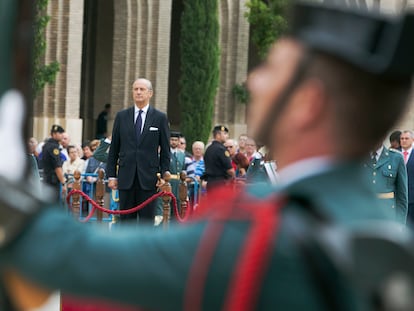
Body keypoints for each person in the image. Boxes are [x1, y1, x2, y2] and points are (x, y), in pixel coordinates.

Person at [1, 3, 414, 310]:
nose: (254, 80)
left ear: (307, 103)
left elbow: (63, 258)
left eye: (271, 68)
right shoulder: (377, 226)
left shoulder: (262, 233)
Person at [107, 78, 170, 223]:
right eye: (135, 89)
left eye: (142, 89)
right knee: (125, 221)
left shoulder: (160, 118)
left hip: (149, 178)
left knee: (146, 221)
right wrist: (111, 175)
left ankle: (145, 246)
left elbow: (165, 150)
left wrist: (164, 173)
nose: (138, 92)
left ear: (150, 93)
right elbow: (114, 148)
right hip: (126, 176)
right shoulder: (122, 116)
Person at [364, 143, 408, 224]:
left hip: (387, 215)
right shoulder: (358, 158)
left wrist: (400, 223)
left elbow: (402, 196)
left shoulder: (396, 158)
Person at [203, 125, 236, 192]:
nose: (227, 136)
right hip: (220, 184)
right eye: (225, 134)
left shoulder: (208, 149)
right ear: (218, 135)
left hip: (210, 182)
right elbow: (230, 170)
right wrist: (233, 176)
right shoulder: (221, 149)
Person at [41, 124, 67, 198]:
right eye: (60, 133)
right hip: (53, 181)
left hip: (47, 179)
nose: (62, 135)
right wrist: (63, 182)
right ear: (54, 134)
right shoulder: (53, 147)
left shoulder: (46, 145)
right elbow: (57, 166)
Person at [401, 130, 414, 226]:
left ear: (412, 140)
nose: (404, 140)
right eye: (402, 138)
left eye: (406, 138)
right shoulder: (393, 155)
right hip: (398, 198)